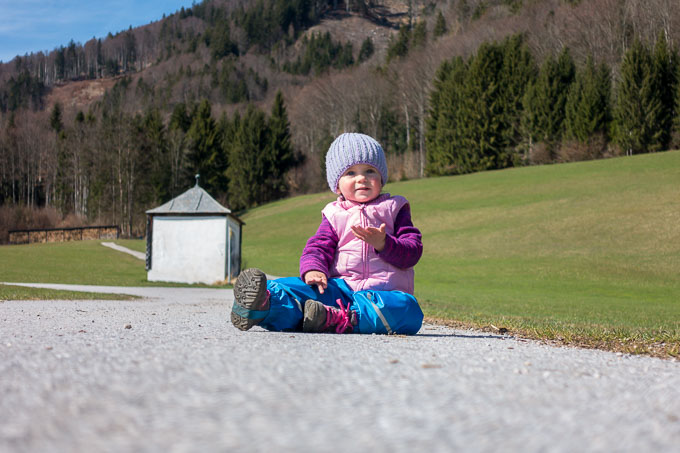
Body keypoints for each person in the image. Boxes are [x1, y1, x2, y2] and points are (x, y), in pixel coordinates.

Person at [230, 132, 424, 335]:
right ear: (336, 185)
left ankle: (341, 319)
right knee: (295, 287)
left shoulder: (394, 208)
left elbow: (413, 251)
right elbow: (317, 247)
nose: (361, 178)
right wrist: (313, 269)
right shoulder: (334, 214)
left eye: (369, 171)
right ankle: (262, 305)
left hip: (384, 294)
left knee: (408, 309)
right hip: (340, 290)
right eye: (350, 173)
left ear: (382, 178)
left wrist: (384, 244)